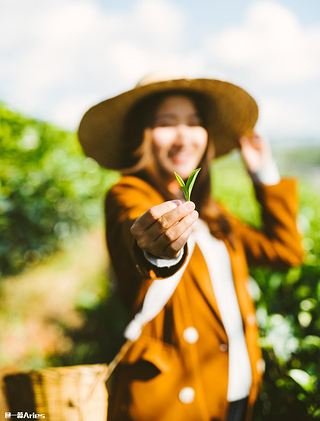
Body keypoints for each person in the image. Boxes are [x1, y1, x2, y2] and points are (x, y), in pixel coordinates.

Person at [78, 73, 304, 421]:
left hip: (236, 391)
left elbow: (286, 251)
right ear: (142, 134)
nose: (183, 136)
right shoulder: (129, 195)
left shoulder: (214, 216)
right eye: (166, 123)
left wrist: (264, 175)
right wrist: (155, 246)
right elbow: (136, 232)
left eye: (194, 123)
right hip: (173, 401)